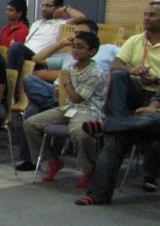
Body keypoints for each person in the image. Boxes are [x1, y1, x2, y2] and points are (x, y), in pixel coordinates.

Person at [77, 60, 160, 206]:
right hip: (157, 122)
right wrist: (152, 107)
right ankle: (98, 195)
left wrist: (158, 112)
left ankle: (108, 124)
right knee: (117, 137)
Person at [103, 1, 160, 191]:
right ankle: (116, 120)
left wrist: (158, 78)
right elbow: (115, 65)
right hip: (138, 91)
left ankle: (150, 175)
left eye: (152, 15)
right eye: (145, 14)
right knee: (119, 75)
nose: (146, 18)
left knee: (155, 127)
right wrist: (133, 70)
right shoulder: (135, 40)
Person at [23, 30, 107, 187]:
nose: (74, 50)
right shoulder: (73, 66)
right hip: (69, 108)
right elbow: (38, 60)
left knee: (81, 132)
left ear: (92, 51)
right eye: (73, 46)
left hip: (88, 110)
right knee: (31, 123)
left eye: (80, 47)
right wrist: (59, 89)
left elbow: (77, 98)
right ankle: (53, 161)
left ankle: (89, 170)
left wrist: (65, 82)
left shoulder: (95, 72)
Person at [6, 0, 86, 73]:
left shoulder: (62, 24)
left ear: (58, 8)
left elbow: (81, 17)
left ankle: (10, 82)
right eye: (42, 5)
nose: (44, 9)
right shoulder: (36, 23)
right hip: (26, 56)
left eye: (48, 6)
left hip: (40, 60)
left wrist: (66, 8)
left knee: (16, 46)